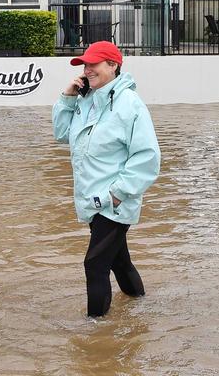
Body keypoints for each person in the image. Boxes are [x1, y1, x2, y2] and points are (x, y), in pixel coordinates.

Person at [51, 41, 160, 318]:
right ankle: (140, 306)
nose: (87, 70)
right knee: (119, 262)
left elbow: (147, 157)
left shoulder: (130, 104)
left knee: (95, 264)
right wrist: (68, 97)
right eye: (85, 65)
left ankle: (96, 338)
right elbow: (63, 134)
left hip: (114, 202)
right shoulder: (86, 101)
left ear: (113, 65)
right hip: (92, 200)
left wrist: (116, 193)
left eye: (94, 64)